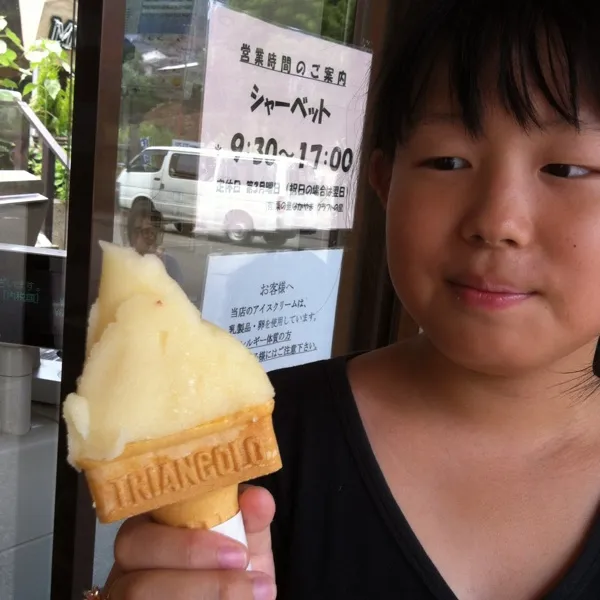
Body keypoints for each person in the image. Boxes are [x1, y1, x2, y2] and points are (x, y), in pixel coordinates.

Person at [102, 1, 600, 598]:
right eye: (448, 161)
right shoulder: (260, 446)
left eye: (568, 169)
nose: (498, 221)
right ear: (385, 184)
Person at [126, 200, 184, 286]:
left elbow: (176, 297)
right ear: (131, 235)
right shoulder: (121, 264)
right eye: (141, 231)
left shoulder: (170, 265)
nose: (148, 237)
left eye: (152, 232)